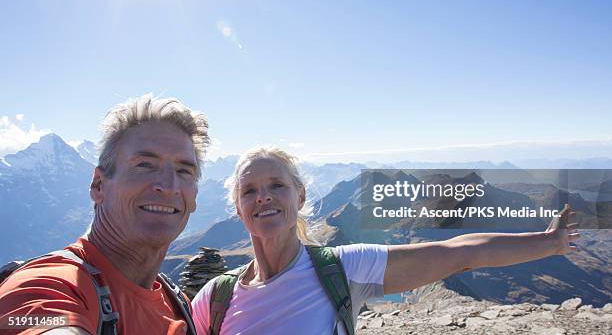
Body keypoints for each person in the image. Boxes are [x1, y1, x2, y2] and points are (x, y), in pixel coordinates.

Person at [191, 146, 580, 335]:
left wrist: (549, 244)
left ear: (301, 196)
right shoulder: (215, 298)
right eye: (249, 190)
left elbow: (461, 253)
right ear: (238, 209)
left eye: (277, 185)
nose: (263, 197)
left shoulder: (342, 267)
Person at [0, 94, 210, 335]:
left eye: (184, 170)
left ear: (194, 196)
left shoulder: (177, 303)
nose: (169, 185)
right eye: (144, 165)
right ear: (99, 185)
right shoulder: (47, 285)